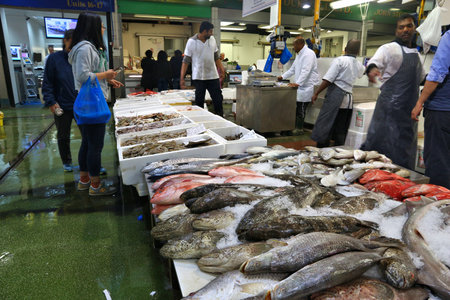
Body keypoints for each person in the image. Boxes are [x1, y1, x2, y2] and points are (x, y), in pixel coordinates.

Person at [362, 14, 426, 169]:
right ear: (396, 31)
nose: (405, 30)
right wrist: (373, 70)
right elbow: (374, 63)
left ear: (414, 28)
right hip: (388, 113)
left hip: (409, 115)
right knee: (381, 151)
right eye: (401, 27)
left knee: (403, 154)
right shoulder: (389, 49)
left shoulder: (417, 54)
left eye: (409, 26)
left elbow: (422, 79)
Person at [69, 12, 123, 196]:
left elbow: (91, 75)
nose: (103, 29)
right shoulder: (85, 49)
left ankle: (84, 181)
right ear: (92, 27)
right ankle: (95, 186)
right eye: (101, 25)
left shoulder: (89, 47)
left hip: (89, 101)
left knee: (87, 144)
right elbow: (83, 76)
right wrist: (105, 75)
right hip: (91, 104)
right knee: (94, 146)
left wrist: (107, 81)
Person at [411, 30, 450, 188]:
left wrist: (419, 102)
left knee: (438, 160)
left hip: (442, 111)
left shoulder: (449, 37)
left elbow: (437, 73)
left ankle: (439, 207)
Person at [311, 40, 365, 147]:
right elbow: (362, 73)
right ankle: (339, 148)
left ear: (344, 49)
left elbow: (328, 79)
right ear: (358, 52)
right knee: (341, 126)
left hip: (336, 95)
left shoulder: (340, 60)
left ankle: (322, 148)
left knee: (326, 123)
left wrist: (316, 93)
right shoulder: (359, 64)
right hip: (348, 99)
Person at [42, 30, 77, 172]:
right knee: (63, 135)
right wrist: (51, 101)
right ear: (66, 41)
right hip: (61, 105)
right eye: (73, 41)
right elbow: (47, 82)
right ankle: (66, 162)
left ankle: (91, 162)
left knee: (88, 134)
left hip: (81, 104)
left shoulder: (80, 58)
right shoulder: (54, 59)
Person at [180, 21, 225, 116]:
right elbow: (185, 61)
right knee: (199, 101)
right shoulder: (191, 41)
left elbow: (216, 56)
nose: (212, 33)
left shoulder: (212, 39)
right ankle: (200, 120)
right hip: (199, 77)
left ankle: (220, 117)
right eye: (210, 31)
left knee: (218, 99)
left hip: (213, 76)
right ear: (204, 31)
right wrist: (182, 78)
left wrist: (221, 69)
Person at [277, 36, 319, 135]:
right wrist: (282, 77)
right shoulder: (299, 54)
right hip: (300, 87)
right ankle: (295, 127)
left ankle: (299, 129)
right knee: (298, 107)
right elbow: (293, 69)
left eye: (294, 45)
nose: (293, 47)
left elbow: (306, 71)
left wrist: (298, 83)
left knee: (302, 108)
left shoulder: (309, 54)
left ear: (300, 44)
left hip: (307, 86)